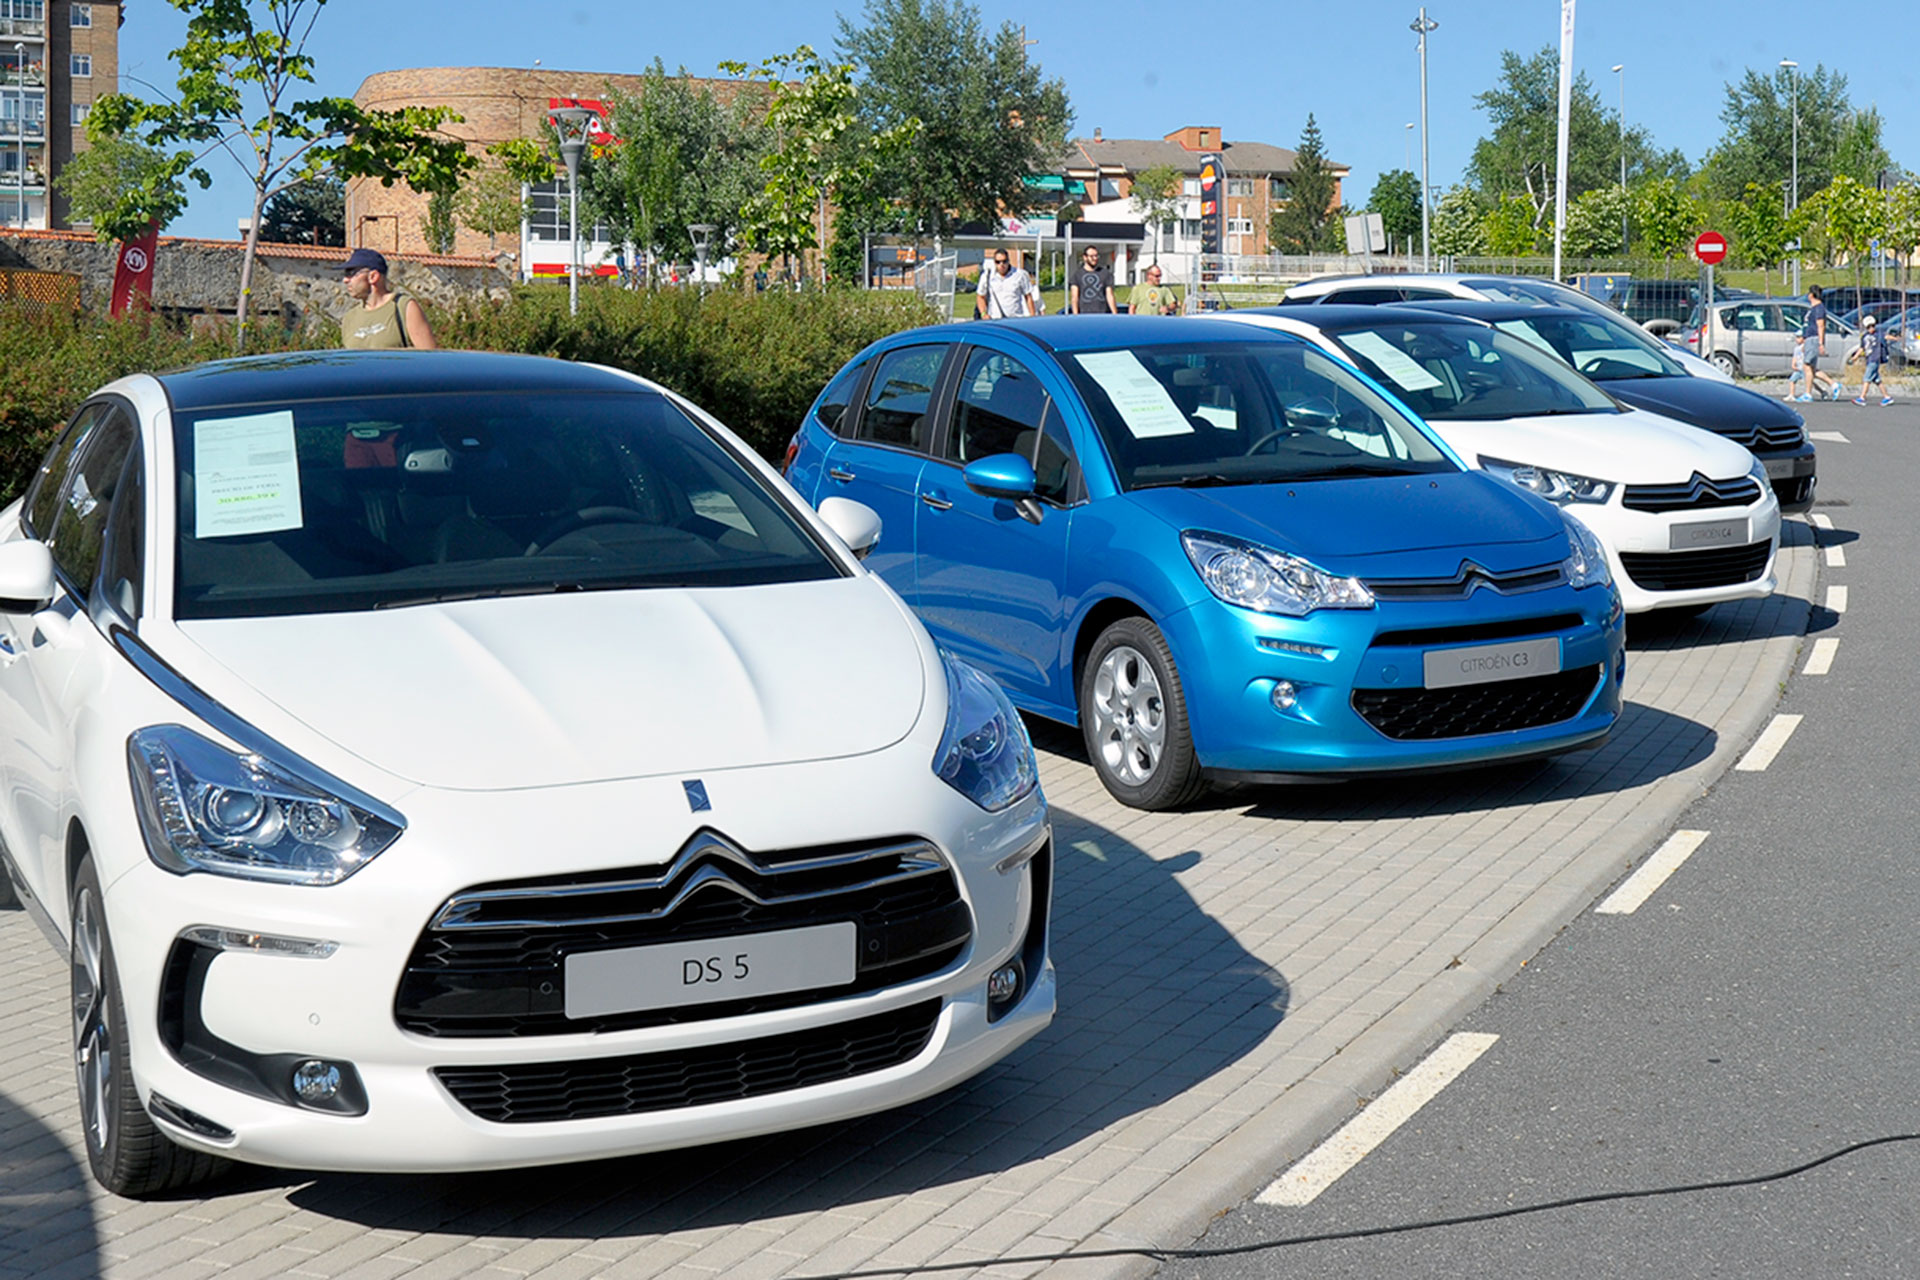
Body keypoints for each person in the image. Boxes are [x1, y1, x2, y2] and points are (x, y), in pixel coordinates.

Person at [339, 248, 437, 349]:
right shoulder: (349, 318)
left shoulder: (404, 307)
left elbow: (430, 358)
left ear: (373, 276)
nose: (345, 280)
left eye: (351, 273)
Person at [1796, 285, 1838, 402]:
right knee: (1811, 369)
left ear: (1812, 295)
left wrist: (1820, 343)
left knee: (1807, 366)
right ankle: (1833, 384)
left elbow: (1821, 325)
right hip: (1809, 339)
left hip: (1814, 338)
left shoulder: (1819, 308)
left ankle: (1808, 394)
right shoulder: (1813, 308)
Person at [975, 249, 1039, 319]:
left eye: (1004, 261)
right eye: (998, 262)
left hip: (1015, 319)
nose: (1001, 264)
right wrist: (984, 314)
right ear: (994, 262)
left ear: (1008, 261)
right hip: (995, 320)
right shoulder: (987, 276)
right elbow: (980, 296)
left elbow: (1028, 297)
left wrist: (1032, 316)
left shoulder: (1020, 275)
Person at [1847, 312, 1894, 406]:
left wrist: (1896, 338)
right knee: (1877, 380)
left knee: (1867, 378)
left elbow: (1886, 336)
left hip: (1875, 359)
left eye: (1873, 326)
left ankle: (1862, 397)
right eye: (1869, 327)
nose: (1871, 328)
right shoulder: (1864, 337)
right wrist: (1855, 357)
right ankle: (1887, 397)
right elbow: (1862, 348)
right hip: (1869, 359)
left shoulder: (1878, 335)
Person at [1066, 246, 1117, 315]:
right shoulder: (1077, 275)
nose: (1095, 258)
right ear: (1085, 257)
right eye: (1092, 256)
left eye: (1096, 256)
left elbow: (1110, 295)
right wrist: (1075, 315)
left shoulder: (1105, 273)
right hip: (1084, 315)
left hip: (1102, 314)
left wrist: (1115, 314)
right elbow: (1074, 297)